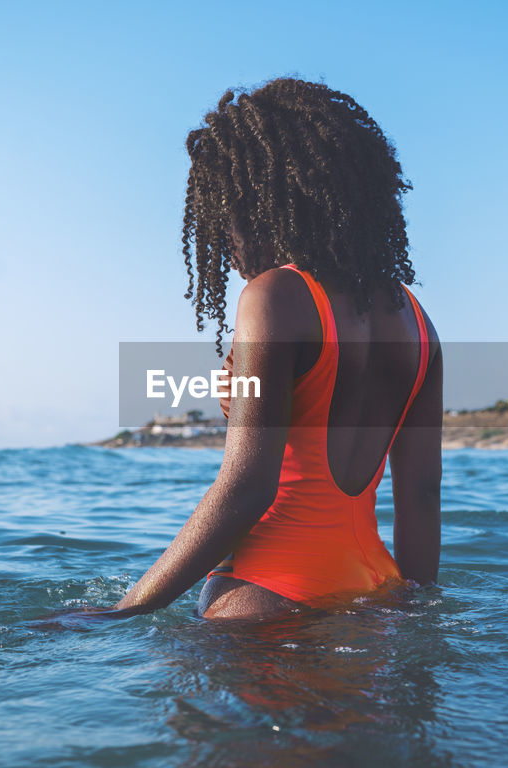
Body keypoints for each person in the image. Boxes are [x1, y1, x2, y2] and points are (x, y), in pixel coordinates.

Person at [111, 78, 442, 620]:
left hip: (268, 593)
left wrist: (123, 609)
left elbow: (248, 487)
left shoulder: (275, 297)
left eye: (226, 220)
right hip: (374, 593)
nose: (227, 245)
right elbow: (423, 494)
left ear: (260, 203)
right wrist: (418, 610)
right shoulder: (418, 322)